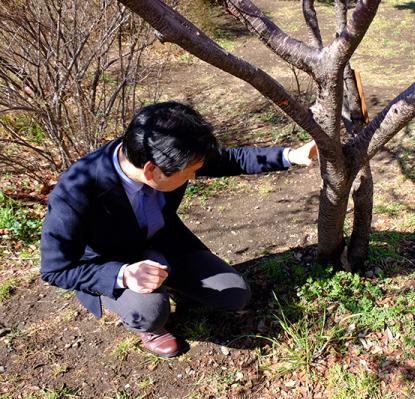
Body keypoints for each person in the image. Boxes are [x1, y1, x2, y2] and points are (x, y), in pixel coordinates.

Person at [40, 101, 317, 358]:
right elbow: (55, 269)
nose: (195, 176)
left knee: (235, 294)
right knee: (150, 312)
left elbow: (229, 160)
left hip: (164, 242)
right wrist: (123, 275)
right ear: (152, 171)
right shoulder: (76, 192)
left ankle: (173, 281)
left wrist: (290, 155)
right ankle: (148, 326)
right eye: (189, 173)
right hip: (112, 262)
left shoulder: (168, 152)